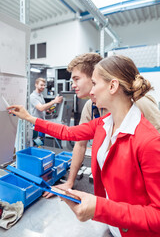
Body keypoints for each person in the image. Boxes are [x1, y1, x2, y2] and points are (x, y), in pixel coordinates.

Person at [8, 55, 160, 237]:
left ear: (112, 86)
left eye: (94, 84)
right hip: (113, 227)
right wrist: (29, 117)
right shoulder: (105, 123)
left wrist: (101, 207)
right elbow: (68, 133)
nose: (92, 91)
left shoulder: (148, 141)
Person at [44, 53, 160, 199]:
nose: (73, 85)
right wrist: (69, 182)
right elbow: (79, 143)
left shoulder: (139, 104)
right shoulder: (90, 107)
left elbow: (154, 148)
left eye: (76, 79)